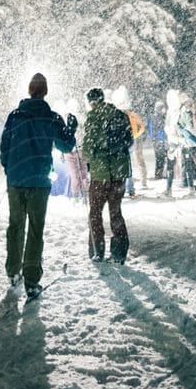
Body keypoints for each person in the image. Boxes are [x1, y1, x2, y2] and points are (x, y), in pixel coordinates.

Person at [0, 73, 77, 299]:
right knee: (35, 228)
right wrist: (71, 128)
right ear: (45, 91)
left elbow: (4, 147)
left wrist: (10, 168)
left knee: (15, 226)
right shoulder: (50, 117)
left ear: (29, 90)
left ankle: (13, 271)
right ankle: (31, 279)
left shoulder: (14, 116)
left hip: (16, 180)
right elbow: (66, 146)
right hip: (39, 181)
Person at [81, 87, 132, 264]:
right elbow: (129, 140)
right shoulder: (120, 115)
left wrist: (88, 156)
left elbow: (87, 151)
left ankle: (97, 249)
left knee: (95, 212)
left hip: (100, 174)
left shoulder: (93, 118)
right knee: (115, 211)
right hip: (119, 173)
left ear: (91, 102)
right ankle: (119, 252)